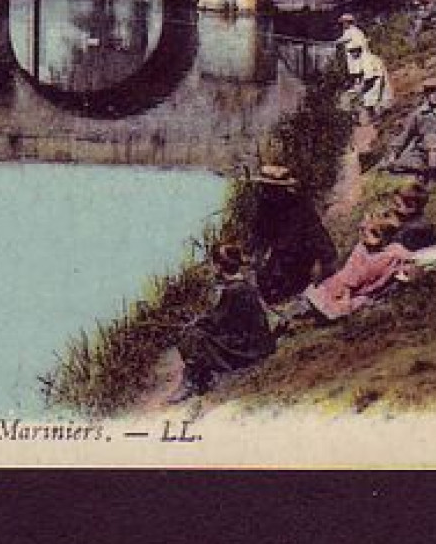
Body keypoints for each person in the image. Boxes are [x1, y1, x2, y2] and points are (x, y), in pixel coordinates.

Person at [172, 242, 280, 399]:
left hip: (249, 348)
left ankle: (194, 382)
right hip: (258, 342)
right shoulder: (243, 285)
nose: (212, 269)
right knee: (197, 333)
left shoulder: (233, 290)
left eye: (213, 265)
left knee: (193, 336)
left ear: (218, 267)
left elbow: (218, 322)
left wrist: (196, 323)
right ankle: (198, 378)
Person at [246, 164, 338, 305]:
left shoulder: (300, 206)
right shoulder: (264, 205)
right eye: (266, 187)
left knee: (287, 289)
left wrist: (319, 262)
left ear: (283, 189)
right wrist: (254, 254)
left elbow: (318, 236)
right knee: (265, 284)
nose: (269, 192)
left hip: (301, 260)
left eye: (274, 188)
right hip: (280, 258)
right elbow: (258, 234)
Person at [303, 214, 418, 321]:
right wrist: (345, 297)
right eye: (367, 232)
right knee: (310, 306)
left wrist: (409, 266)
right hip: (341, 289)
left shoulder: (393, 252)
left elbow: (409, 259)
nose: (369, 237)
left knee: (352, 304)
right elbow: (351, 274)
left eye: (377, 233)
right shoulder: (361, 250)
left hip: (361, 293)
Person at [384, 73, 436, 180]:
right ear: (426, 94)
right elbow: (405, 135)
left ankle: (433, 177)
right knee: (396, 165)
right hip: (421, 154)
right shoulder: (417, 114)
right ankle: (424, 171)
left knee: (431, 138)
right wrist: (394, 154)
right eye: (432, 92)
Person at [346, 39, 393, 122]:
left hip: (378, 85)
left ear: (358, 50)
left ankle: (374, 119)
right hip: (377, 83)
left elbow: (370, 79)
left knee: (368, 102)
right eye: (350, 52)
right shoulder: (366, 58)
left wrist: (360, 91)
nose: (352, 54)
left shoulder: (366, 59)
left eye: (353, 51)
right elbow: (364, 74)